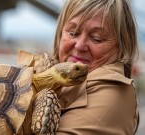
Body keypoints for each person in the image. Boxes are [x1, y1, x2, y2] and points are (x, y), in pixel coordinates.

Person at [52, 0, 139, 134]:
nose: (80, 45)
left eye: (97, 38)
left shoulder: (113, 93)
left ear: (122, 47)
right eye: (73, 33)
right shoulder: (53, 75)